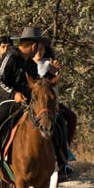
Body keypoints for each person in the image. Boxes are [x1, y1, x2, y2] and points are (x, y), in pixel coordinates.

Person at [0, 26, 57, 185]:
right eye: (39, 46)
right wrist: (13, 94)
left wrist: (51, 75)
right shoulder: (10, 57)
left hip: (29, 104)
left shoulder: (30, 64)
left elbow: (36, 85)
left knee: (59, 119)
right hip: (6, 102)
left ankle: (62, 162)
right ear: (34, 46)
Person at [34, 37, 76, 177]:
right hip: (33, 102)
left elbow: (54, 85)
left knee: (69, 117)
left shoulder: (49, 63)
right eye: (36, 49)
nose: (38, 52)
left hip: (50, 103)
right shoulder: (26, 63)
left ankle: (64, 157)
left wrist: (55, 72)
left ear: (45, 50)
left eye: (41, 49)